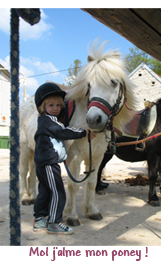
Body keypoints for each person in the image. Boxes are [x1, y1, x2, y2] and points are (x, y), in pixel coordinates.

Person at [33, 82, 96, 235]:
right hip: (48, 163)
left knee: (45, 191)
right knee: (58, 192)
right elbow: (64, 132)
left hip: (44, 163)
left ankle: (40, 220)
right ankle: (54, 223)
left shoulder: (45, 121)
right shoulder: (49, 121)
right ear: (42, 108)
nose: (55, 108)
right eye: (51, 105)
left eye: (58, 105)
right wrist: (83, 132)